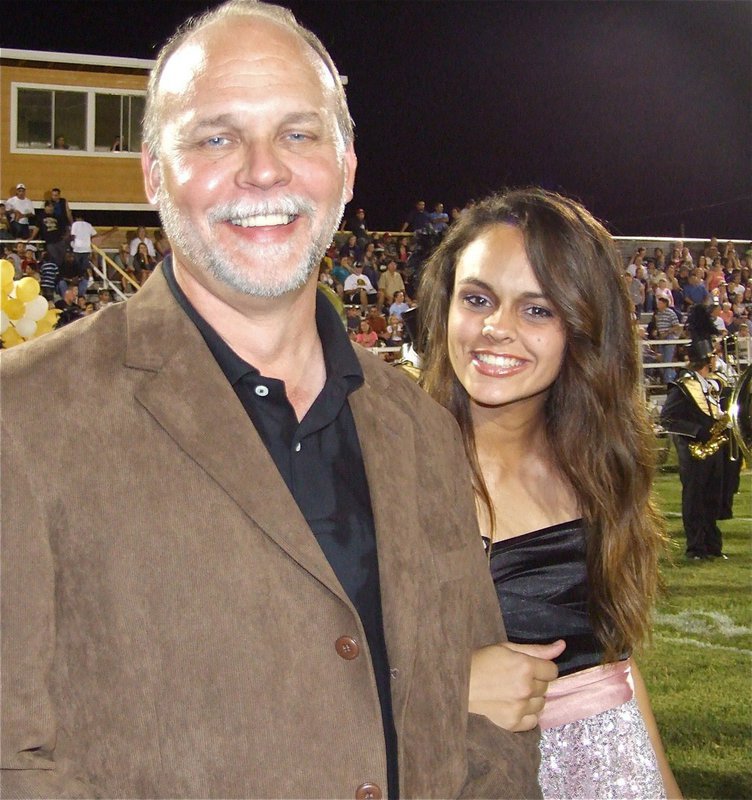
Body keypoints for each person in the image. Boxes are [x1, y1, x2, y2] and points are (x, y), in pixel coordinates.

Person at [0, 3, 542, 798]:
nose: (263, 170)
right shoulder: (27, 420)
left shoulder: (421, 430)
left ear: (347, 166)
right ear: (155, 172)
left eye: (298, 133)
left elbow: (482, 732)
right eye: (216, 136)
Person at [420, 189, 682, 799]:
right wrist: (446, 686)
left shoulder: (598, 468)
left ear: (582, 327)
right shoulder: (380, 460)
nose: (496, 329)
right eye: (477, 299)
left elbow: (613, 667)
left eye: (537, 310)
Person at [660, 307, 729, 561]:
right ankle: (696, 548)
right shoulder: (683, 386)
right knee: (695, 499)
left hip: (715, 448)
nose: (715, 361)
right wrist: (697, 432)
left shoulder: (712, 384)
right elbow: (668, 417)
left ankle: (713, 545)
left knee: (713, 498)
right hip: (694, 450)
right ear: (706, 360)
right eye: (713, 357)